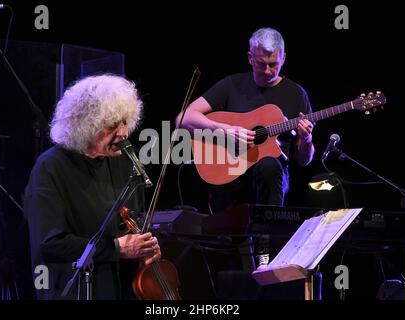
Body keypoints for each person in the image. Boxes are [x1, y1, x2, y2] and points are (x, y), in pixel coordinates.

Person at [176, 27, 315, 269]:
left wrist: (307, 140)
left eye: (274, 64)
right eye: (261, 64)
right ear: (250, 57)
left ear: (283, 58)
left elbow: (304, 160)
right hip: (230, 182)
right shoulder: (231, 85)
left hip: (270, 185)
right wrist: (225, 130)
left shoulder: (296, 94)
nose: (268, 71)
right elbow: (183, 118)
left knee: (270, 164)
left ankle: (268, 250)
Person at [24, 74, 161, 300]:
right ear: (84, 126)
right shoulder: (50, 167)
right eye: (112, 125)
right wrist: (116, 248)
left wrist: (143, 246)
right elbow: (49, 243)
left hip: (123, 288)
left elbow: (134, 221)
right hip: (76, 289)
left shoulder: (125, 159)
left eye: (125, 121)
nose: (123, 133)